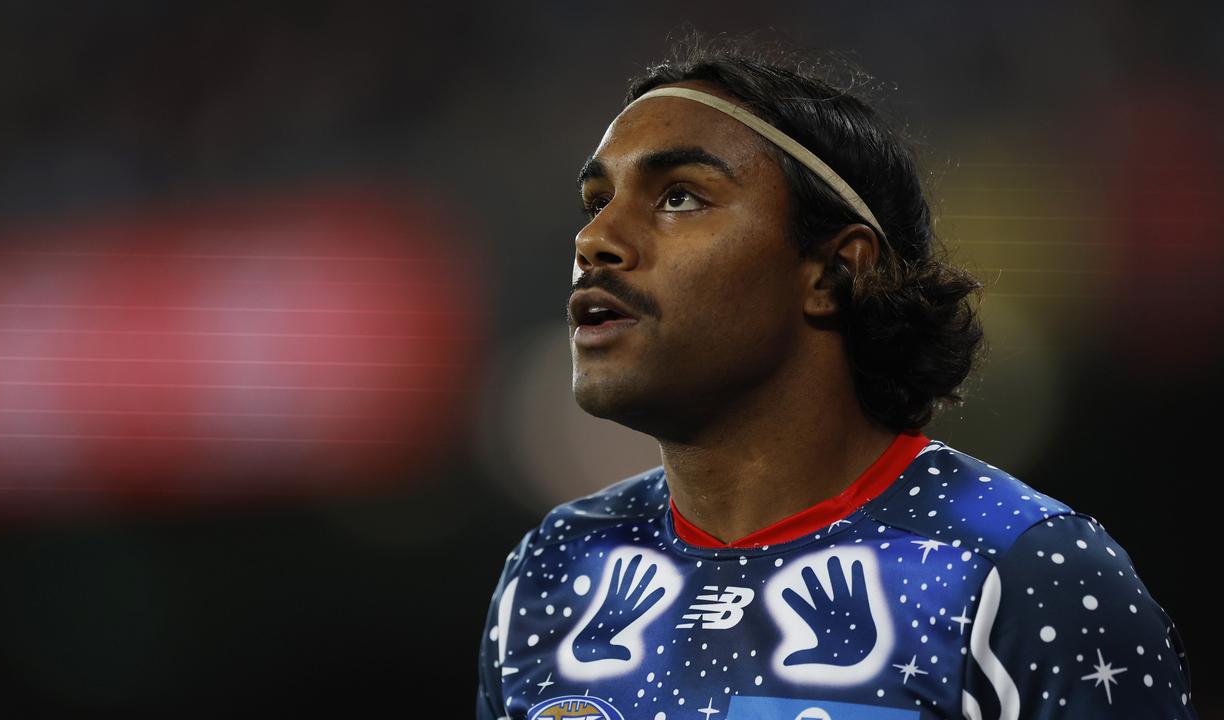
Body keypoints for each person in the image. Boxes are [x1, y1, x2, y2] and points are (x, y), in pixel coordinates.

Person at [477, 42, 1195, 720]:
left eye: (679, 198)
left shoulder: (1025, 572)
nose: (593, 240)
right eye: (595, 202)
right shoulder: (552, 568)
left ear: (835, 271)